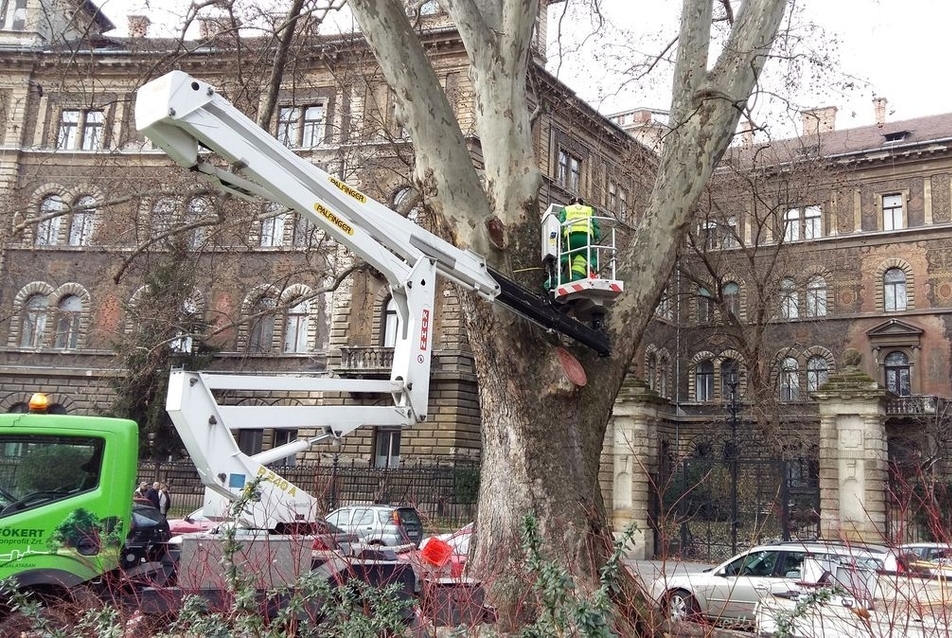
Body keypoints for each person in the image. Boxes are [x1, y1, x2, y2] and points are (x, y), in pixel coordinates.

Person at [558, 196, 601, 282]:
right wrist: (597, 238)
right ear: (582, 204)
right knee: (591, 257)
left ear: (570, 203)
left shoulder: (566, 210)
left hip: (571, 238)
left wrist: (561, 237)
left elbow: (561, 224)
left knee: (566, 255)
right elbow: (596, 225)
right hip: (586, 238)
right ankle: (590, 265)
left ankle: (567, 262)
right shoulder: (589, 210)